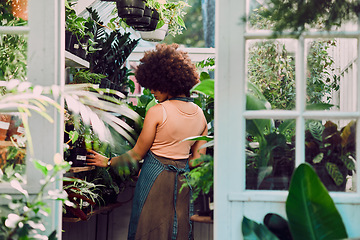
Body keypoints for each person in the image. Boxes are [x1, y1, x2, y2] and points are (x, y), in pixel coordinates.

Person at [86, 43, 208, 240]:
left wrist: (108, 162)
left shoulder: (158, 111)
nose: (152, 91)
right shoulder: (200, 115)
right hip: (183, 181)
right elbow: (198, 160)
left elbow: (136, 154)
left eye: (155, 87)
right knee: (180, 230)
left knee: (148, 229)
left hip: (154, 177)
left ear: (168, 82)